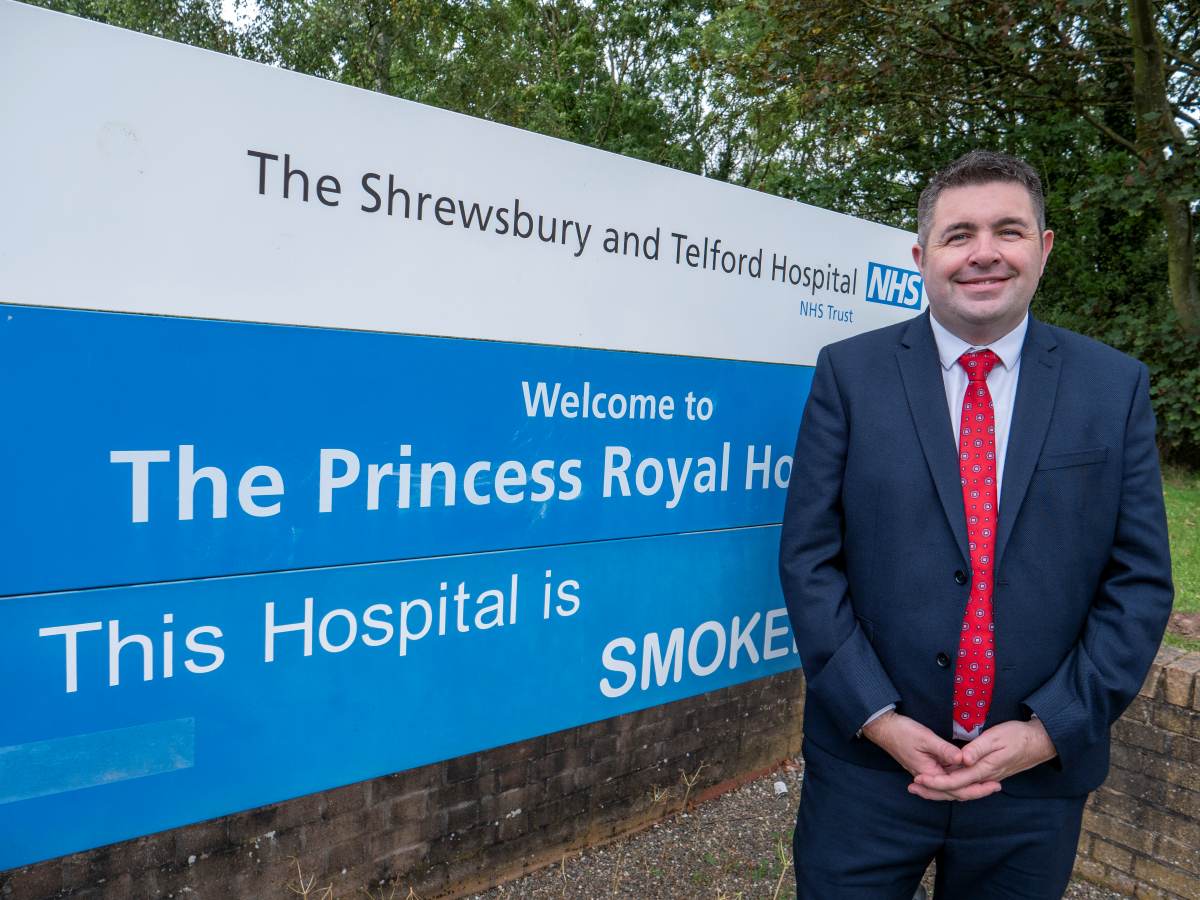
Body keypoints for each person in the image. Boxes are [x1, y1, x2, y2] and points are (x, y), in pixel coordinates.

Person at [778, 150, 1173, 899]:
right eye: (958, 235)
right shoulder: (849, 375)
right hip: (867, 772)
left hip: (1034, 784)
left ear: (1043, 248)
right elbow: (809, 560)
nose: (983, 253)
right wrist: (877, 718)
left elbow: (1141, 583)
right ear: (922, 256)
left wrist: (1049, 730)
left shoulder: (1113, 386)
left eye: (1007, 230)